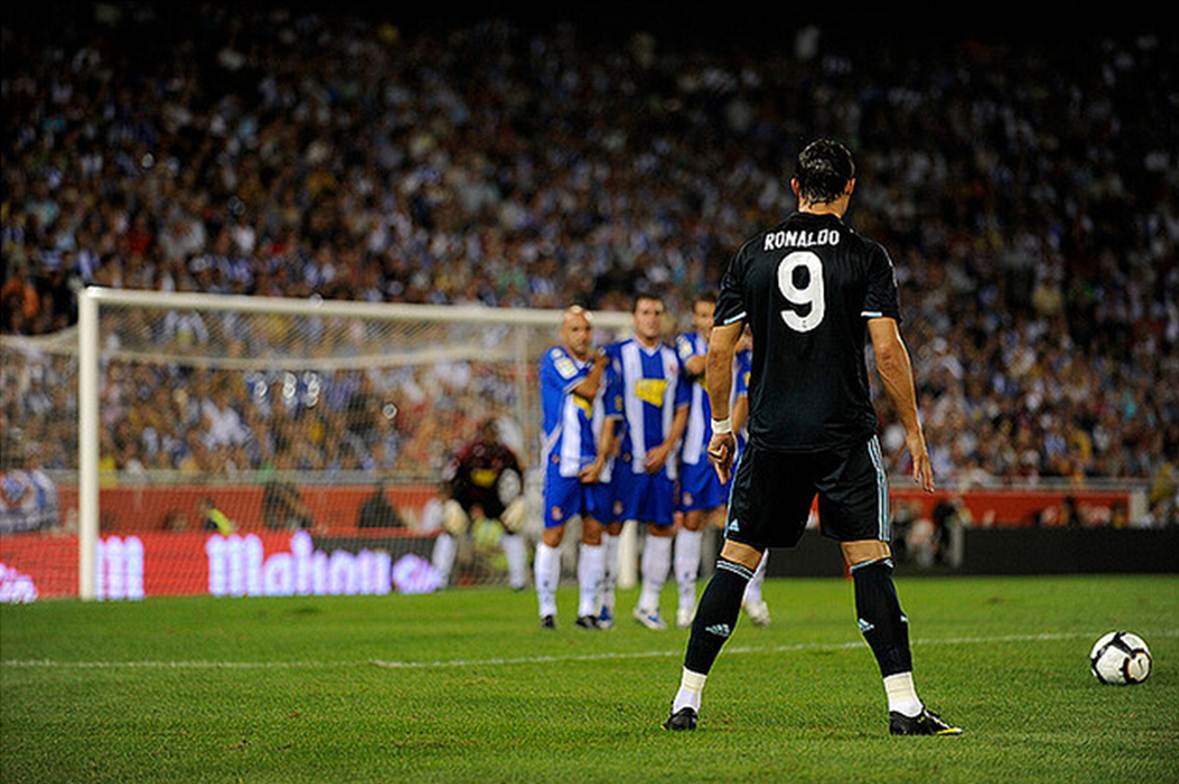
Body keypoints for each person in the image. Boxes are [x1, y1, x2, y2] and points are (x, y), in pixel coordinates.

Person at [664, 139, 961, 736]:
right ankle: (903, 706)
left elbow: (718, 349)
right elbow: (886, 349)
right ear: (849, 188)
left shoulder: (751, 255)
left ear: (796, 188)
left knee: (734, 562)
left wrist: (722, 428)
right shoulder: (865, 256)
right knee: (870, 563)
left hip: (772, 435)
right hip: (843, 434)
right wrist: (917, 433)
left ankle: (684, 701)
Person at [603, 293, 690, 630]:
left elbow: (682, 408)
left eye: (656, 312)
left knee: (662, 527)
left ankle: (649, 603)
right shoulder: (616, 355)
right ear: (634, 317)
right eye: (645, 312)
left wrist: (667, 447)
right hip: (626, 460)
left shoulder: (673, 361)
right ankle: (605, 602)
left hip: (663, 462)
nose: (651, 318)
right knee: (615, 525)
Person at [535, 306, 613, 629]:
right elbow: (588, 390)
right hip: (561, 461)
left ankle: (587, 609)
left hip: (595, 463)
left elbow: (610, 417)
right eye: (575, 330)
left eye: (586, 330)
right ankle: (547, 609)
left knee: (594, 532)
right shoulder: (555, 359)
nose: (582, 336)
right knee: (554, 532)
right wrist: (598, 365)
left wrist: (601, 460)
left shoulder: (603, 368)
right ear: (564, 333)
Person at [672, 292, 746, 628]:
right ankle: (686, 601)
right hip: (694, 452)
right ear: (695, 319)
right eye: (702, 315)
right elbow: (694, 366)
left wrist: (732, 433)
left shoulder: (742, 349)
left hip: (734, 446)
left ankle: (752, 597)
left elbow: (744, 396)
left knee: (745, 520)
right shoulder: (687, 344)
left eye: (713, 315)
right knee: (691, 520)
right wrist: (730, 348)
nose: (708, 321)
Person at [431, 418, 527, 590]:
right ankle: (439, 579)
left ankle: (518, 581)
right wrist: (448, 501)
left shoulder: (503, 453)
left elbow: (520, 472)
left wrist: (520, 498)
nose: (492, 436)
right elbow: (448, 476)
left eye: (494, 432)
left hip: (492, 497)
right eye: (488, 432)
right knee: (451, 528)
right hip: (465, 495)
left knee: (511, 528)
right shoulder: (467, 452)